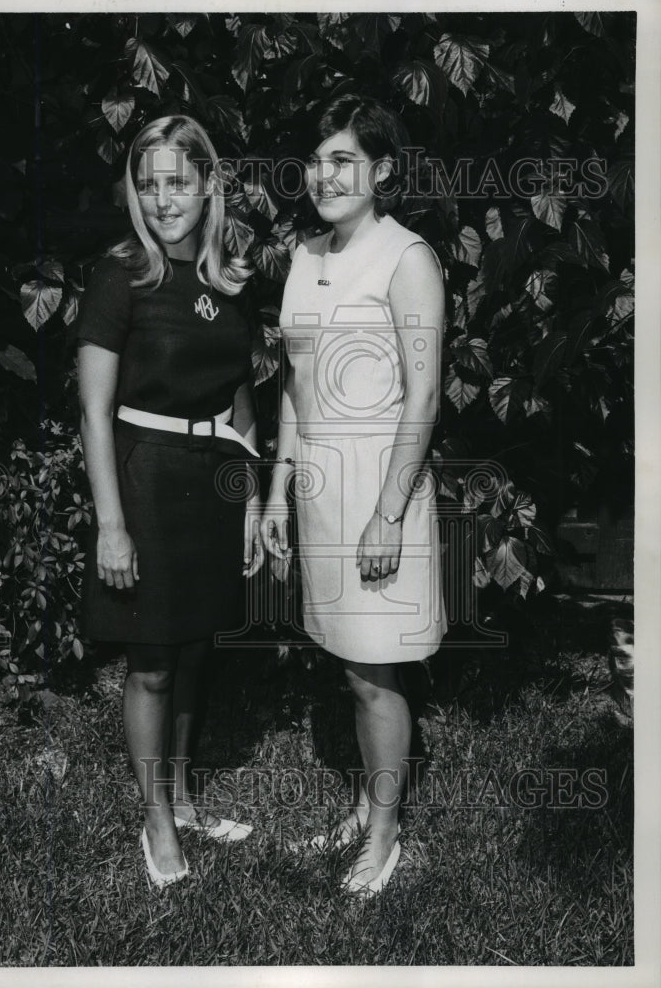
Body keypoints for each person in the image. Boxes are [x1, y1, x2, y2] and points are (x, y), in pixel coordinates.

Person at [262, 95, 447, 896]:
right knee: (347, 663)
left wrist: (388, 512)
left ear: (383, 173)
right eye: (317, 159)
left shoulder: (408, 259)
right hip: (320, 493)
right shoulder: (305, 254)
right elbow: (297, 388)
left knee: (376, 673)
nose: (325, 174)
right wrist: (276, 490)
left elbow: (424, 394)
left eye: (344, 160)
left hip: (381, 492)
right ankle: (369, 806)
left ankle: (384, 835)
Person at [74, 115, 263, 889]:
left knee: (193, 648)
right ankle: (155, 825)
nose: (161, 200)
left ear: (208, 184)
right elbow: (93, 411)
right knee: (152, 660)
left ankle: (181, 800)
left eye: (177, 182)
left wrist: (252, 499)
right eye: (147, 184)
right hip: (144, 473)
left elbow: (244, 396)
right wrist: (111, 525)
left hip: (212, 477)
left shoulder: (232, 277)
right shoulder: (121, 274)